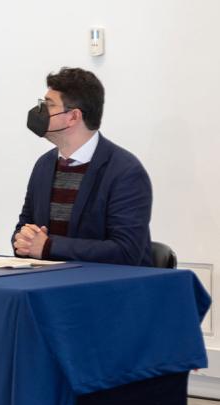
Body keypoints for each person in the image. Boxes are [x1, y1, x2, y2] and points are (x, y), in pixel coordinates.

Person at [12, 67, 153, 265]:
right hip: (48, 278)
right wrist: (23, 240)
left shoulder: (125, 171)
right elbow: (24, 228)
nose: (40, 110)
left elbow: (126, 251)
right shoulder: (44, 165)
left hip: (107, 283)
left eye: (49, 105)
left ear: (73, 117)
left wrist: (49, 246)